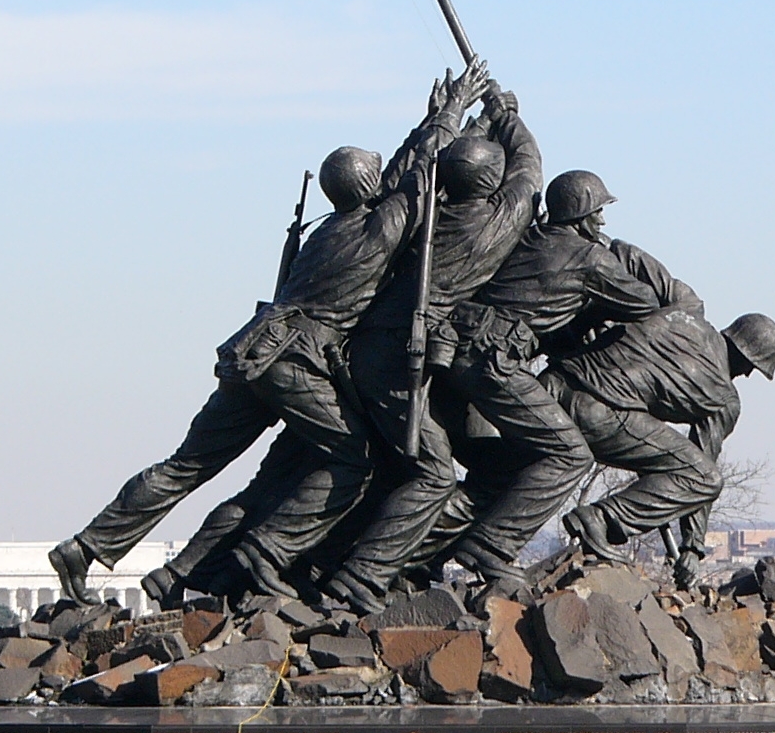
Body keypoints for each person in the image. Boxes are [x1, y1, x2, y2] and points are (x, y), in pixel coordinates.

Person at [49, 64, 488, 606]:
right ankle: (266, 553)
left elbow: (402, 174)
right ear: (369, 186)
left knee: (188, 465)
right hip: (296, 360)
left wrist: (435, 117)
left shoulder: (328, 230)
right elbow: (418, 179)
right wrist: (449, 115)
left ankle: (87, 546)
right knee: (354, 462)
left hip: (252, 350)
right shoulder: (379, 229)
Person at [322, 85, 542, 609]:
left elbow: (413, 173)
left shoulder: (423, 213)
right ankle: (360, 575)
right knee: (435, 473)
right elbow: (530, 169)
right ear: (492, 183)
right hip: (400, 357)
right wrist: (506, 115)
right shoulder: (500, 220)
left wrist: (450, 118)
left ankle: (374, 565)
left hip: (367, 347)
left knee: (398, 465)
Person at [420, 170, 670, 585]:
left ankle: (418, 550)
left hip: (461, 353)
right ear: (580, 214)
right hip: (493, 360)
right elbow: (644, 301)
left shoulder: (530, 239)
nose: (602, 223)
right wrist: (617, 255)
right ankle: (491, 546)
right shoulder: (589, 256)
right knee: (569, 455)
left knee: (506, 468)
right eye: (598, 212)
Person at [556, 310, 775, 575]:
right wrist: (693, 547)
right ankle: (602, 519)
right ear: (744, 355)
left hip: (554, 384)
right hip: (597, 413)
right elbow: (702, 467)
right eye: (751, 367)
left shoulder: (679, 317)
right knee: (705, 478)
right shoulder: (722, 396)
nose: (746, 375)